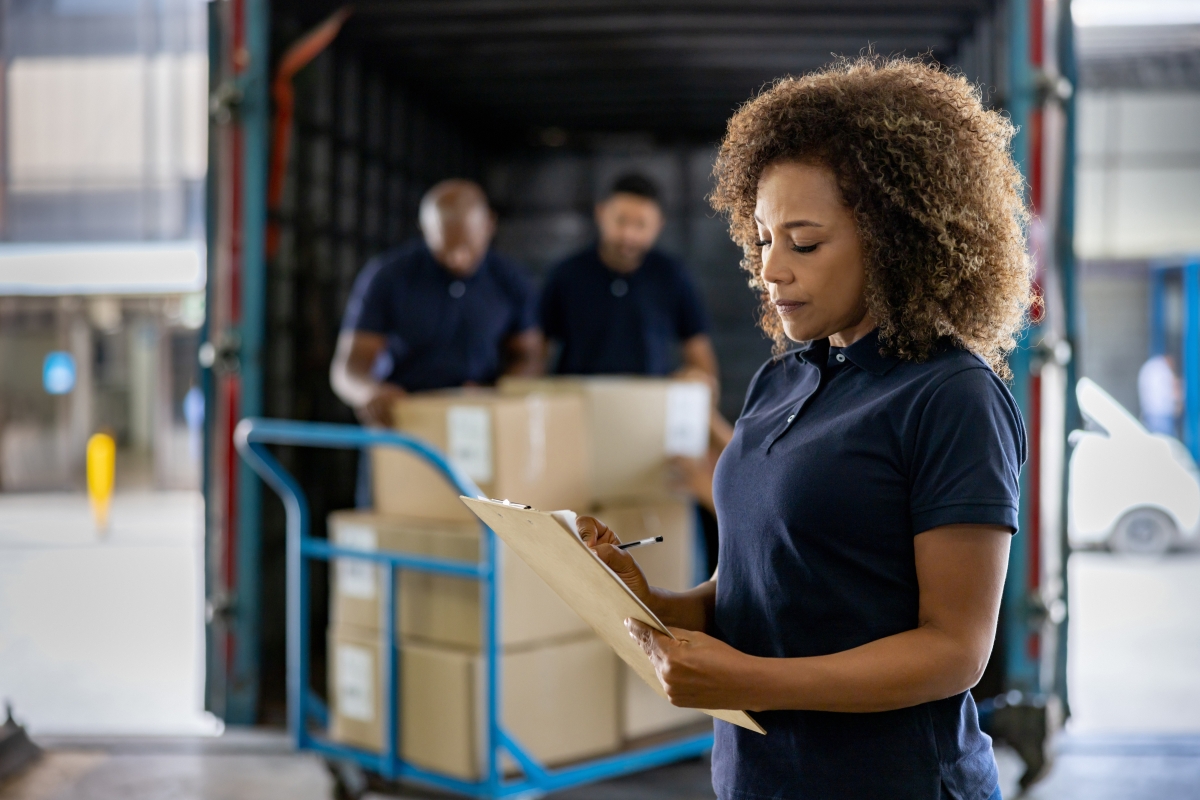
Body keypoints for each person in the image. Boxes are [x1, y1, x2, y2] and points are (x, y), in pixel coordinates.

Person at [576, 57, 1032, 800]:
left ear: (893, 238)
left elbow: (954, 650)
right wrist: (651, 601)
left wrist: (753, 681)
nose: (770, 269)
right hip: (760, 779)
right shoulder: (780, 379)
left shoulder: (952, 396)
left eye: (805, 242)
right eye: (760, 238)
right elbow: (759, 587)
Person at [330, 179, 542, 427]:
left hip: (478, 420)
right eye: (447, 249)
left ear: (488, 225)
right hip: (404, 419)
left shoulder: (512, 282)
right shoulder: (388, 277)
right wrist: (368, 392)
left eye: (468, 248)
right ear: (426, 230)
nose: (458, 259)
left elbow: (530, 357)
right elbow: (349, 367)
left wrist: (499, 393)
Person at [538, 173, 718, 385]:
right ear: (601, 213)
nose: (628, 235)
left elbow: (701, 358)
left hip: (649, 405)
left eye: (641, 225)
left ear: (658, 225)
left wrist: (694, 381)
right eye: (620, 221)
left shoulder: (673, 275)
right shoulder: (566, 274)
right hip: (579, 403)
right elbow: (538, 351)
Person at [1138, 353, 1181, 436]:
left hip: (1150, 412)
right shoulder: (1163, 370)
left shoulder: (1152, 366)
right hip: (1162, 414)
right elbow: (1172, 392)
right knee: (1165, 440)